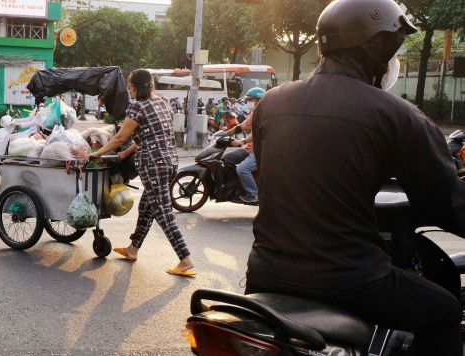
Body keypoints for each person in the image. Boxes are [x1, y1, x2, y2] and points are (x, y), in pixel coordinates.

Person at [246, 0, 464, 353]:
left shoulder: (270, 103)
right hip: (351, 281)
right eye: (393, 47)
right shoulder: (398, 115)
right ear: (377, 46)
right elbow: (447, 204)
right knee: (446, 311)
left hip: (265, 273)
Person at [90, 69, 194, 277]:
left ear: (135, 87)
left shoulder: (138, 107)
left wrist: (97, 154)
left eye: (130, 87)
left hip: (152, 165)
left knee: (163, 213)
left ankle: (185, 259)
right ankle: (133, 249)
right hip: (169, 162)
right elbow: (149, 136)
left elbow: (120, 137)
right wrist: (124, 154)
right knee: (146, 208)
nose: (130, 91)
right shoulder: (162, 102)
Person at [225, 87, 265, 203]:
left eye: (251, 100)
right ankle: (237, 186)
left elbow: (257, 134)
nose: (248, 102)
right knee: (227, 158)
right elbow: (242, 126)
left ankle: (254, 195)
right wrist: (223, 134)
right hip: (249, 148)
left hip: (258, 150)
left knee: (242, 169)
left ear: (259, 100)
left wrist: (242, 141)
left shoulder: (264, 114)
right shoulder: (254, 112)